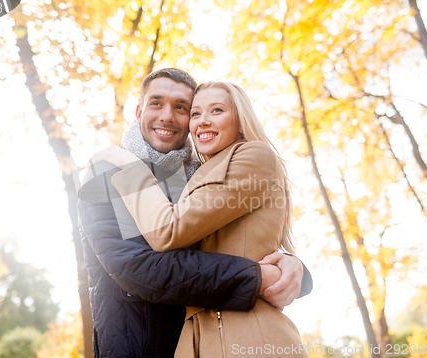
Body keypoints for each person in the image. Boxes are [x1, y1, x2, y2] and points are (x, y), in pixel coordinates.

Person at [77, 69, 312, 357]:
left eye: (181, 108)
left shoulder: (200, 176)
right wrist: (256, 277)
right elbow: (141, 269)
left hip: (212, 341)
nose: (167, 115)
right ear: (139, 111)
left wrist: (293, 266)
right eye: (156, 103)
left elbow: (236, 239)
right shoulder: (105, 174)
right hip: (137, 350)